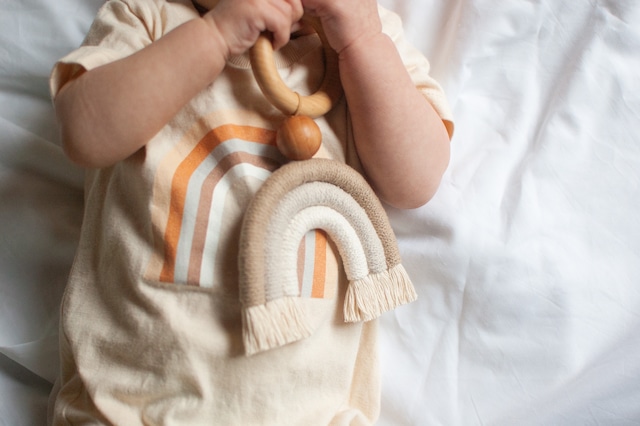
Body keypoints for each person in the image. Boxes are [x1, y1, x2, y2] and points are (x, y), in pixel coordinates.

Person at [49, 0, 454, 424]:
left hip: (309, 411)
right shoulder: (150, 16)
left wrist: (362, 41)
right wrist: (216, 36)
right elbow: (83, 132)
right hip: (131, 402)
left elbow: (417, 181)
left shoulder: (363, 31)